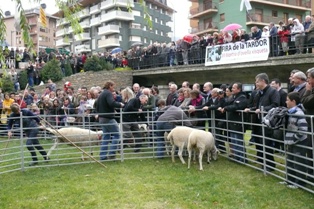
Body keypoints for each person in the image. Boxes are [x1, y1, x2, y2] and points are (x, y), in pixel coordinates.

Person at [280, 92, 308, 189]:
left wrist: (294, 138)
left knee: (298, 162)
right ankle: (289, 180)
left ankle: (300, 183)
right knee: (290, 161)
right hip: (291, 141)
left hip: (299, 142)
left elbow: (303, 129)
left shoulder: (299, 113)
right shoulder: (290, 112)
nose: (286, 102)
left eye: (287, 100)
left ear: (293, 101)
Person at [96, 80, 124, 161]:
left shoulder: (101, 94)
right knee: (117, 135)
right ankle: (112, 154)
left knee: (106, 136)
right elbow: (111, 103)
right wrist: (120, 105)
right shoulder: (108, 93)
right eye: (113, 86)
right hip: (108, 118)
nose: (113, 88)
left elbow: (97, 105)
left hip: (102, 118)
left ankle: (103, 156)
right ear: (110, 86)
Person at [219, 83, 248, 163]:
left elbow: (237, 106)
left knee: (238, 140)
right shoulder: (234, 97)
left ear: (239, 89)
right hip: (232, 122)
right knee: (234, 140)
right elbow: (228, 104)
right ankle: (237, 157)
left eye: (234, 88)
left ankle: (242, 158)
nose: (232, 89)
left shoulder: (242, 97)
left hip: (238, 122)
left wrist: (226, 108)